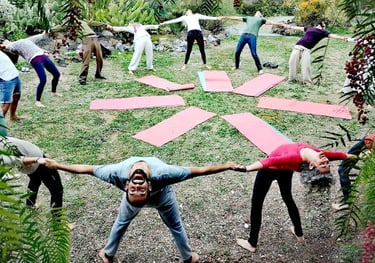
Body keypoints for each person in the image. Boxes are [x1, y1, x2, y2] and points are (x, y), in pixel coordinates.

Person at [42, 156, 245, 263]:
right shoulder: (165, 175)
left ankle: (108, 253)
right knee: (167, 225)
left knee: (165, 224)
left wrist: (57, 165)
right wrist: (227, 165)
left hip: (158, 198)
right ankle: (188, 258)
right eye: (137, 189)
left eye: (136, 188)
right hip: (160, 198)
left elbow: (86, 169)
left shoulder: (117, 174)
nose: (137, 187)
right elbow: (200, 171)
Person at [237, 142, 356, 253]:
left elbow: (269, 162)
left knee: (257, 204)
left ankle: (251, 243)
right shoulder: (319, 155)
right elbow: (335, 155)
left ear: (311, 165)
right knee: (288, 198)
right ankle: (299, 233)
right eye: (326, 164)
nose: (325, 161)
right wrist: (353, 156)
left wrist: (246, 168)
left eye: (322, 164)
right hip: (285, 170)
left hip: (268, 171)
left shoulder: (295, 157)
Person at [0, 136, 64, 217]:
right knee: (57, 190)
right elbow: (20, 161)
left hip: (31, 159)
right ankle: (57, 223)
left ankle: (30, 206)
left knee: (35, 180)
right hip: (36, 162)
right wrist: (37, 160)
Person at [0, 32, 61, 107]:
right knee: (43, 80)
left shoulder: (25, 40)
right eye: (4, 41)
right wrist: (4, 45)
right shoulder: (12, 46)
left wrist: (46, 32)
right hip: (35, 59)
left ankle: (54, 92)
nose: (6, 41)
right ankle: (37, 101)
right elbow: (5, 46)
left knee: (57, 74)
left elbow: (40, 36)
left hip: (43, 55)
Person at [221, 11, 285, 74]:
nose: (258, 12)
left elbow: (272, 22)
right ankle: (236, 66)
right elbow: (237, 18)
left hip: (252, 36)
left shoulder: (261, 20)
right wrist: (225, 17)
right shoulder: (248, 18)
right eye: (257, 12)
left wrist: (281, 24)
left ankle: (260, 69)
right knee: (237, 51)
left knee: (254, 53)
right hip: (244, 35)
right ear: (254, 14)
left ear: (260, 16)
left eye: (260, 13)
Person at [332, 133, 375, 210]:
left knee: (343, 170)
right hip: (369, 139)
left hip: (370, 140)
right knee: (343, 170)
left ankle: (347, 202)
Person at [77, 20, 106, 85]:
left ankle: (98, 74)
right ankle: (82, 78)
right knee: (86, 59)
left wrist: (104, 24)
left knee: (100, 58)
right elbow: (61, 27)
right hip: (86, 38)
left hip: (94, 37)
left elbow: (92, 22)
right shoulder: (70, 23)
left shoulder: (82, 21)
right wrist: (50, 29)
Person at [0, 50, 23, 121]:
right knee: (5, 105)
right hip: (6, 79)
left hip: (14, 75)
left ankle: (13, 116)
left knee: (16, 97)